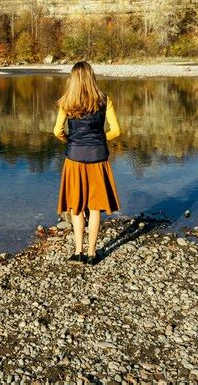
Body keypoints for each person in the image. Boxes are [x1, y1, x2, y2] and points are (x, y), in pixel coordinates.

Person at [53, 61, 121, 265]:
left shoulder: (66, 102)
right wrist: (100, 140)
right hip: (98, 158)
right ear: (92, 77)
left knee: (75, 206)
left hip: (74, 159)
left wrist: (72, 142)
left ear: (72, 80)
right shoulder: (104, 100)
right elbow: (116, 130)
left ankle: (78, 252)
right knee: (95, 206)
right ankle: (92, 254)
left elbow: (57, 132)